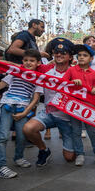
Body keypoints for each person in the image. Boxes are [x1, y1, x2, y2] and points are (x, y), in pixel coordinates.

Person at [23, 38, 77, 166]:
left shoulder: (76, 72)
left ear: (70, 57)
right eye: (56, 52)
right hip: (49, 114)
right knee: (28, 129)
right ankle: (44, 150)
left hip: (68, 119)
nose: (59, 55)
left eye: (63, 53)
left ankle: (74, 140)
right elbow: (24, 66)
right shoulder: (45, 70)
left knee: (70, 157)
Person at [0, 50, 43, 178]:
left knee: (22, 137)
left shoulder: (38, 78)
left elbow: (35, 98)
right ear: (22, 61)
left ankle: (19, 157)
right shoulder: (15, 73)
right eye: (26, 60)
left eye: (32, 61)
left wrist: (25, 113)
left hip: (23, 109)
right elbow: (1, 85)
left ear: (38, 63)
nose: (28, 63)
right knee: (2, 136)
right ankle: (1, 166)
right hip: (7, 106)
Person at [63, 44, 95, 166]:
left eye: (85, 55)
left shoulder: (94, 73)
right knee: (76, 131)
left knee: (92, 131)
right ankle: (80, 153)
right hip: (74, 106)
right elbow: (63, 83)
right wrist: (71, 82)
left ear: (91, 59)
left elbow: (94, 87)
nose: (81, 57)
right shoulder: (71, 70)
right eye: (79, 55)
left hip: (89, 106)